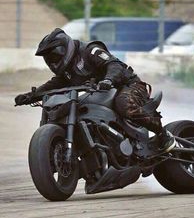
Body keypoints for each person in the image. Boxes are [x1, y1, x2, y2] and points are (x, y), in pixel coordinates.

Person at [15, 28, 175, 153]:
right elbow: (53, 85)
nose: (52, 60)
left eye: (54, 55)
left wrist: (108, 80)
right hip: (102, 93)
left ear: (65, 48)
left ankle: (163, 134)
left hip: (128, 85)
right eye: (48, 59)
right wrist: (31, 96)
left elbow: (114, 65)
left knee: (124, 104)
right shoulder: (67, 71)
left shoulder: (89, 50)